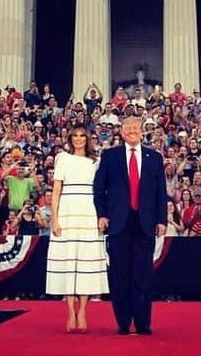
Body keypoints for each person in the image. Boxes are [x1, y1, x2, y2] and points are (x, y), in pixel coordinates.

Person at [93, 116, 168, 337]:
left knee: (143, 275)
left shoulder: (154, 158)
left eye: (136, 127)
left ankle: (143, 323)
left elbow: (160, 192)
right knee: (120, 274)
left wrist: (162, 219)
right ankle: (123, 323)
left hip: (145, 223)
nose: (133, 131)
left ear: (142, 132)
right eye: (129, 128)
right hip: (117, 223)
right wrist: (102, 215)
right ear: (122, 132)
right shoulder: (109, 156)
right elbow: (99, 189)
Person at [47, 124, 109, 334]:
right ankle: (70, 311)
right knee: (68, 260)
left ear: (88, 138)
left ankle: (82, 310)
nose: (79, 139)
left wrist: (101, 216)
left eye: (83, 135)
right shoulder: (62, 158)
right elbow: (56, 192)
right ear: (70, 138)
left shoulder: (96, 161)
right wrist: (54, 219)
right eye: (75, 135)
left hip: (89, 212)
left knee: (86, 262)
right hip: (67, 211)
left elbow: (101, 192)